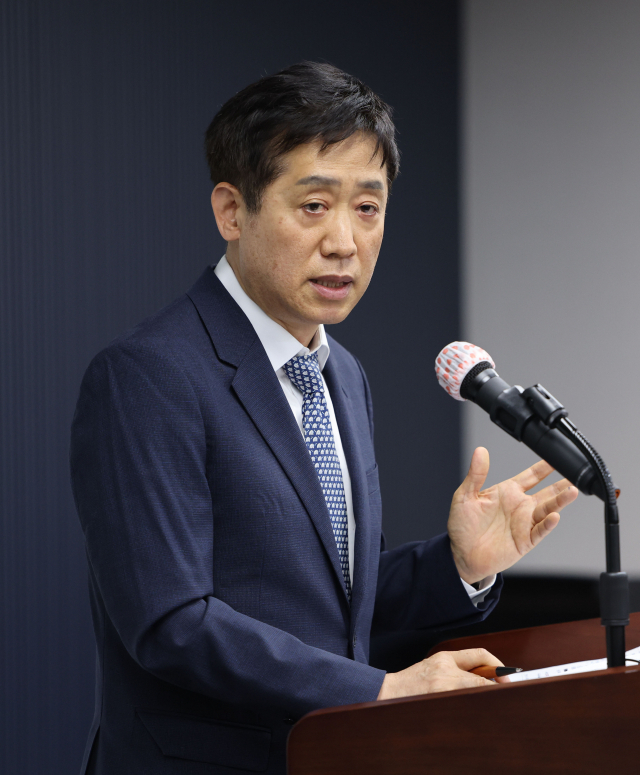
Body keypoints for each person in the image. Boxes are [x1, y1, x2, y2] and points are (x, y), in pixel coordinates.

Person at [70, 62, 577, 775]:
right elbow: (172, 622)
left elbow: (327, 607)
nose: (345, 241)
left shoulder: (341, 374)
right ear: (232, 211)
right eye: (314, 205)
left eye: (367, 208)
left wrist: (460, 565)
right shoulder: (148, 375)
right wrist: (381, 689)